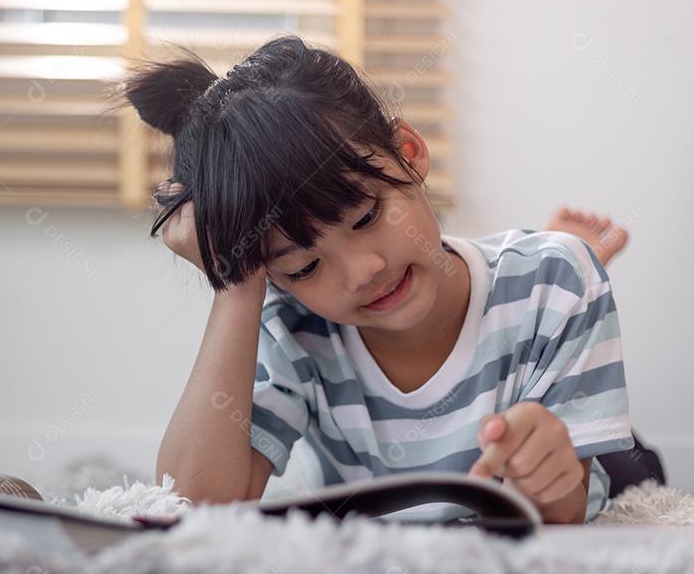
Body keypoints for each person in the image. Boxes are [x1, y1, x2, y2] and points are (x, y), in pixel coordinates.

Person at [122, 35, 650, 524]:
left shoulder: (559, 278)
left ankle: (536, 314)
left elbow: (559, 526)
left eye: (367, 217)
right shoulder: (291, 327)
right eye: (304, 266)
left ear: (411, 152)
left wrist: (547, 465)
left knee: (632, 468)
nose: (363, 272)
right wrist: (233, 281)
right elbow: (192, 509)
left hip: (601, 471)